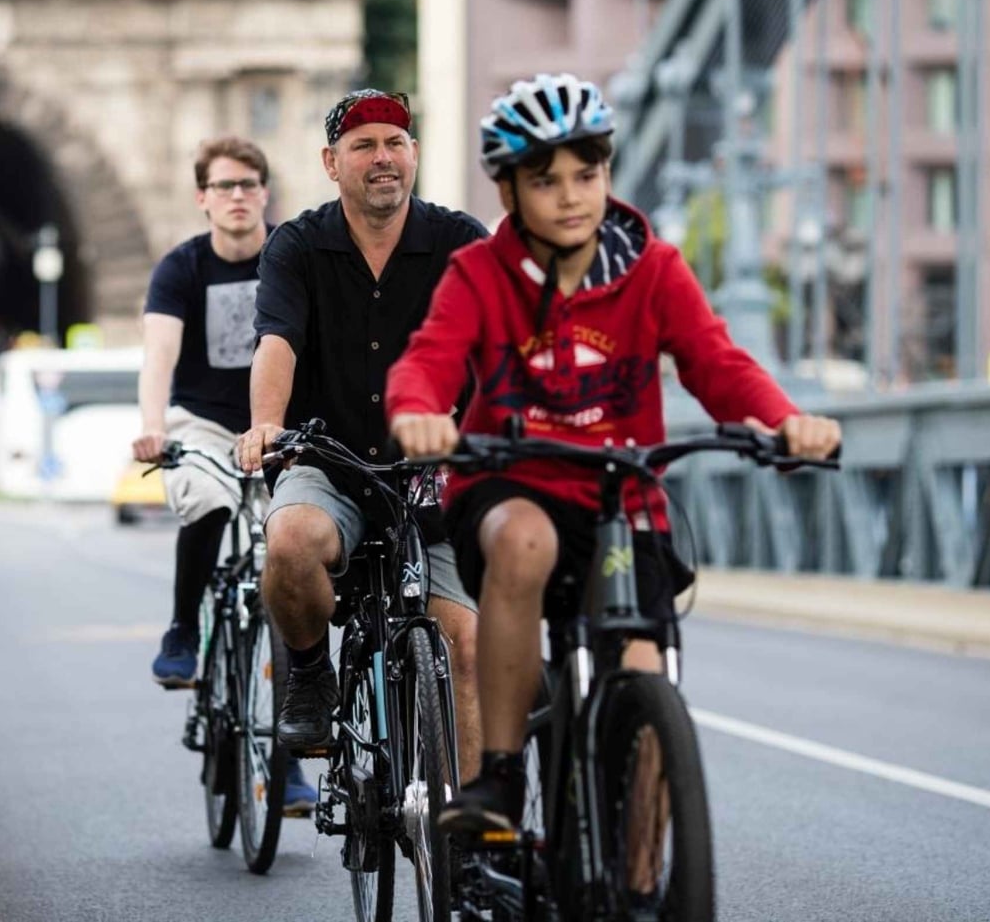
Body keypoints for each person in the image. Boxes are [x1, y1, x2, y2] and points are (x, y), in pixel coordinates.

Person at [384, 74, 842, 835]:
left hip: (622, 500)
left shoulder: (654, 269)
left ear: (607, 176)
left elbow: (719, 364)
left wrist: (786, 422)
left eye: (586, 175)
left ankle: (636, 887)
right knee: (525, 542)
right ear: (509, 195)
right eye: (546, 180)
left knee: (642, 679)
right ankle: (499, 775)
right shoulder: (478, 274)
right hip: (510, 486)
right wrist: (419, 412)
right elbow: (427, 359)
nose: (571, 196)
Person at [235, 89, 490, 785]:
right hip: (331, 457)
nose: (384, 158)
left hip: (431, 472)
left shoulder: (461, 240)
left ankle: (462, 850)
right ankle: (313, 673)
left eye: (396, 144)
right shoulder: (298, 244)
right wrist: (267, 423)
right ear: (331, 161)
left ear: (413, 155)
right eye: (364, 145)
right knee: (288, 541)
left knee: (465, 644)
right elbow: (277, 340)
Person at [132, 135, 316, 812]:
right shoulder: (181, 269)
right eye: (224, 186)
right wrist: (154, 426)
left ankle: (291, 761)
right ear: (202, 198)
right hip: (204, 425)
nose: (237, 196)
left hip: (279, 426)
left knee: (291, 572)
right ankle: (182, 629)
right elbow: (159, 354)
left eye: (248, 184)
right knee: (207, 502)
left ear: (265, 193)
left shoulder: (290, 256)